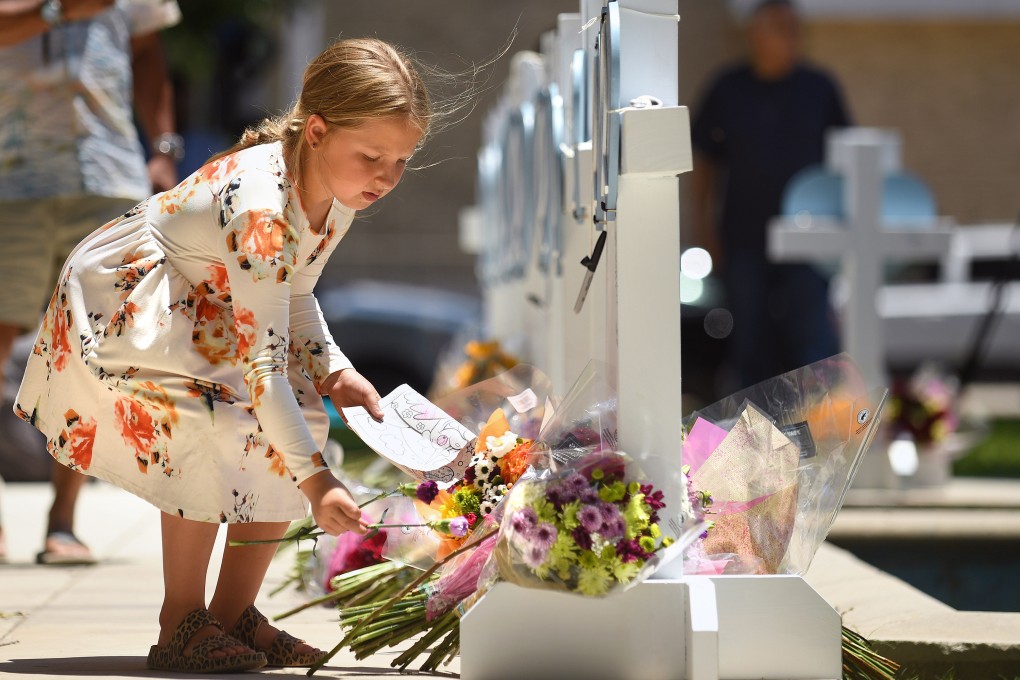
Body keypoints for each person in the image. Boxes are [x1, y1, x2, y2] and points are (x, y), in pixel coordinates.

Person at [15, 37, 431, 673]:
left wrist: (333, 370)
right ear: (316, 130)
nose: (387, 177)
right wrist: (317, 484)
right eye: (372, 156)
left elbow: (295, 292)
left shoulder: (337, 192)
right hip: (134, 302)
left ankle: (233, 615)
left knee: (302, 421)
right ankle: (181, 619)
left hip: (205, 303)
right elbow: (264, 362)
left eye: (401, 161)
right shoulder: (261, 206)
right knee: (211, 420)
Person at [0, 0, 182, 565]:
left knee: (94, 355)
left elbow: (148, 53)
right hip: (10, 181)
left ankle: (64, 523)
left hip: (108, 175)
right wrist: (59, 10)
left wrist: (162, 149)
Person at [691, 0, 850, 388]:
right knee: (749, 341)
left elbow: (846, 157)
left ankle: (823, 432)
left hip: (808, 240)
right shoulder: (728, 88)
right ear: (755, 34)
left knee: (812, 340)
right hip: (745, 238)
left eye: (796, 28)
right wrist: (703, 227)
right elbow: (704, 162)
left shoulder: (819, 88)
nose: (792, 36)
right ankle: (755, 436)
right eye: (781, 27)